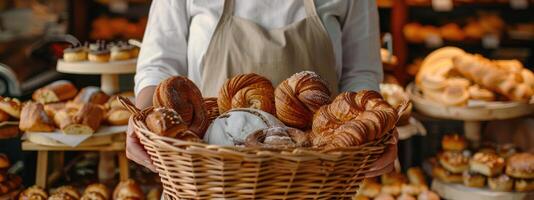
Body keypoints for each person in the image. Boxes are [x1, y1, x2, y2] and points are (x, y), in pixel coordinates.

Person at [129, 0, 395, 178]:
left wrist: (375, 131)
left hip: (316, 179)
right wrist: (143, 120)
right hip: (207, 178)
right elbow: (159, 66)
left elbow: (361, 74)